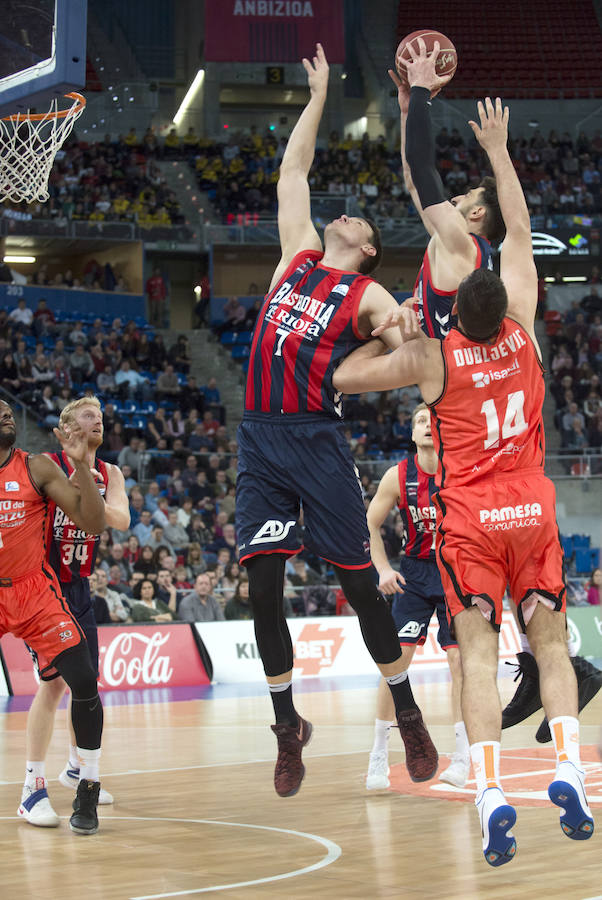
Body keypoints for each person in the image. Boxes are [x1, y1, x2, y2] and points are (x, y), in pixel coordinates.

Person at [333, 83, 594, 865]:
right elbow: (521, 227)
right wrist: (500, 151)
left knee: (478, 655)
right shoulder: (525, 325)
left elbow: (345, 376)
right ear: (507, 300)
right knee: (551, 647)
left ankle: (486, 790)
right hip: (533, 503)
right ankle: (571, 769)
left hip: (471, 512)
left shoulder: (439, 360)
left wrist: (393, 335)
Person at [236, 43, 438, 800]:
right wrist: (317, 95)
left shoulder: (368, 295)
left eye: (356, 218)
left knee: (360, 591)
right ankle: (288, 726)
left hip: (318, 443)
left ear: (369, 247)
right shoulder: (298, 255)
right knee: (260, 589)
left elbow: (404, 348)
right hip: (259, 436)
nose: (343, 211)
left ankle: (410, 716)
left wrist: (410, 326)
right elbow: (294, 171)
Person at [21, 396, 130, 829]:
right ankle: (32, 784)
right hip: (44, 587)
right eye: (87, 416)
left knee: (86, 687)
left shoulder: (111, 473)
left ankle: (75, 768)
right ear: (66, 427)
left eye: (100, 418)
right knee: (52, 688)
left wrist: (90, 501)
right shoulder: (45, 466)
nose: (96, 422)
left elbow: (119, 519)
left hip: (80, 589)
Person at [0, 400, 106, 835]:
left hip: (32, 590)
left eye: (10, 414)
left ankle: (88, 784)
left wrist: (81, 467)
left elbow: (93, 522)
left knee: (82, 678)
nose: (7, 417)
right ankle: (32, 790)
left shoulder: (38, 468)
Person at [365, 403, 469, 791]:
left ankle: (461, 757)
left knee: (459, 660)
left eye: (432, 420)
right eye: (420, 421)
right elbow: (369, 525)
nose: (427, 426)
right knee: (396, 662)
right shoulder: (397, 476)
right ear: (411, 434)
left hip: (456, 572)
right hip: (414, 572)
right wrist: (383, 569)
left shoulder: (462, 469)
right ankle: (378, 754)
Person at [389, 54, 504, 340]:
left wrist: (421, 93)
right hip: (444, 373)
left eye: (467, 195)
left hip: (450, 379)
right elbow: (414, 181)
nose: (454, 199)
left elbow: (422, 166)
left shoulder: (461, 244)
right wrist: (406, 113)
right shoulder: (458, 246)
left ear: (478, 213)